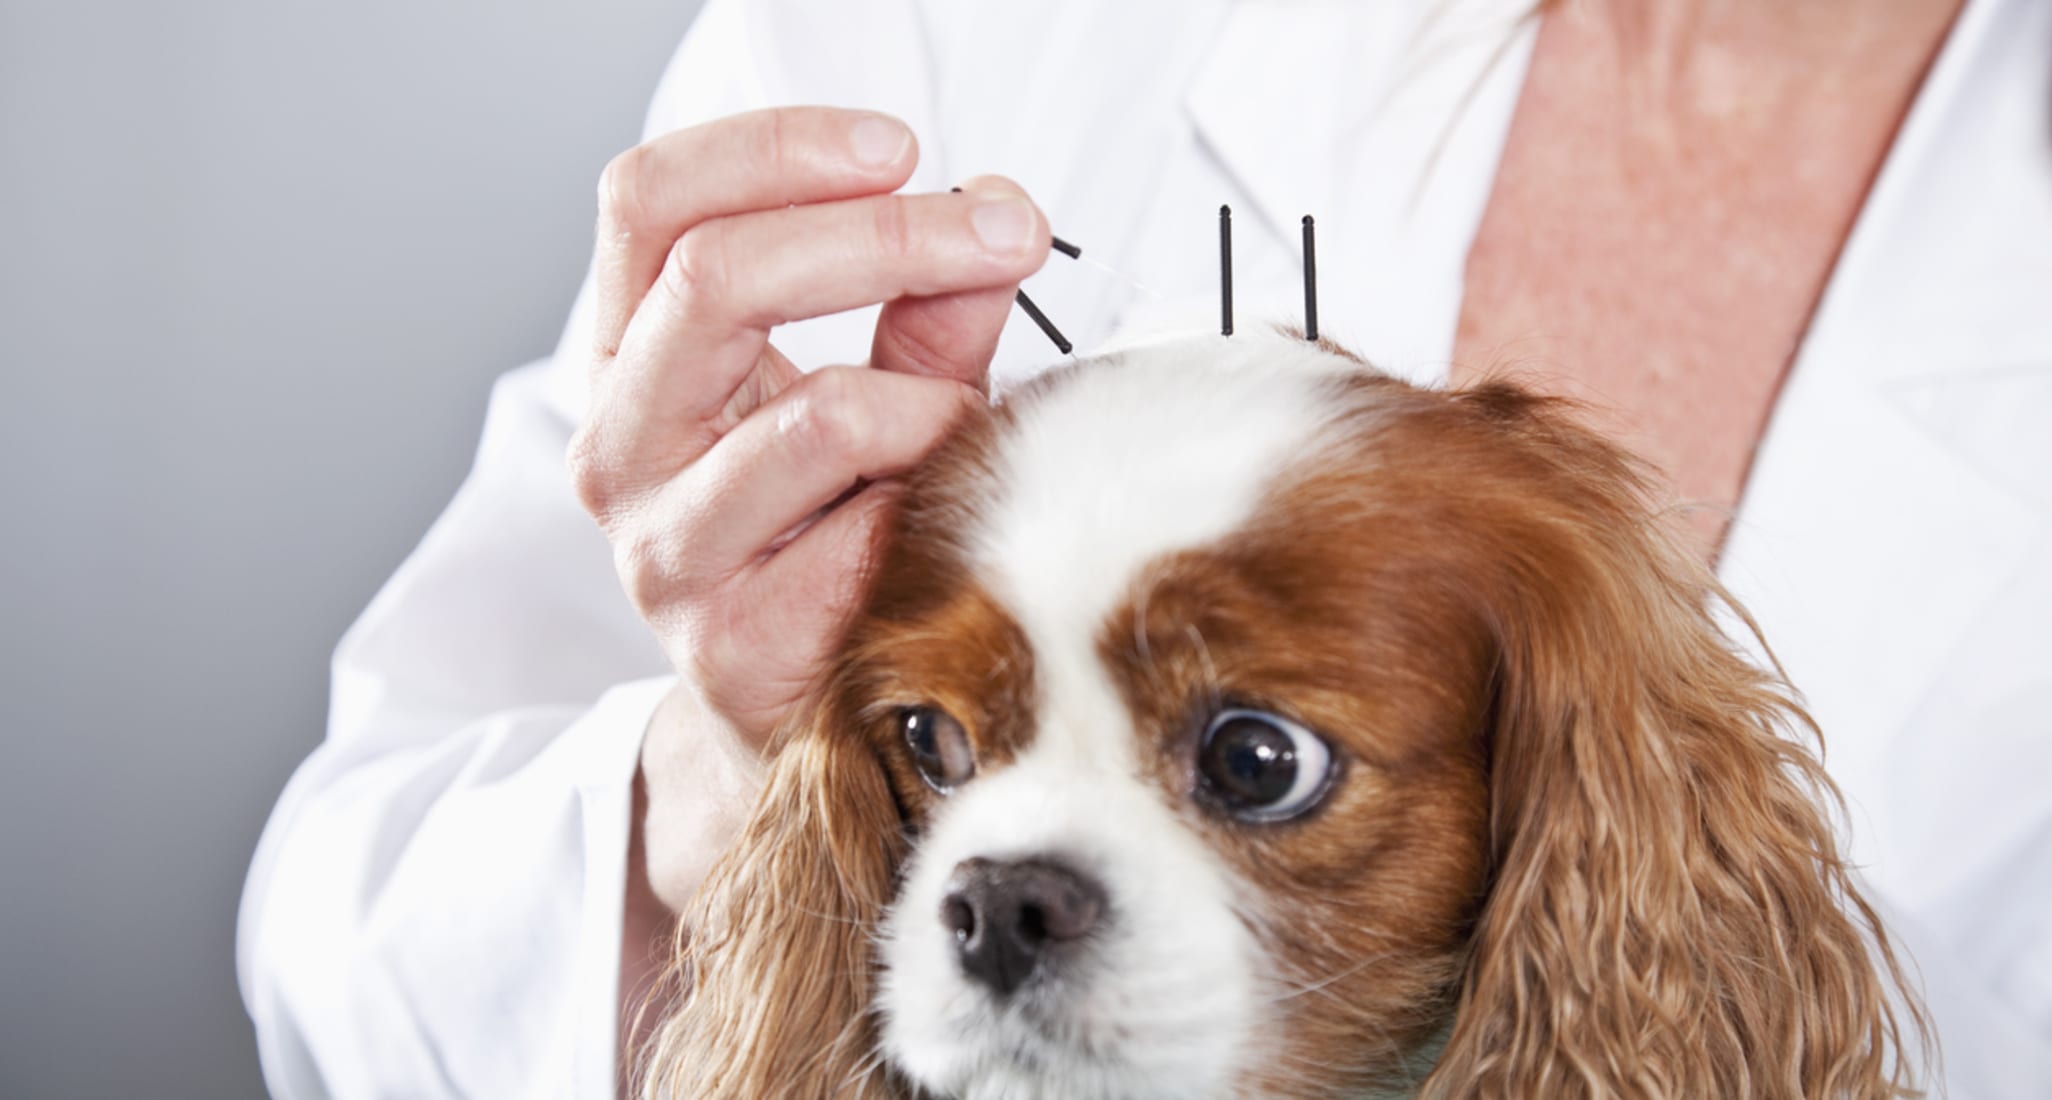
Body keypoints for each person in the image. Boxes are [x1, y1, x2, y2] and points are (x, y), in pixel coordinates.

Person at [237, 0, 2052, 1095]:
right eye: (938, 758)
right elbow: (346, 949)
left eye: (1255, 762)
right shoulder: (965, 28)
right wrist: (750, 764)